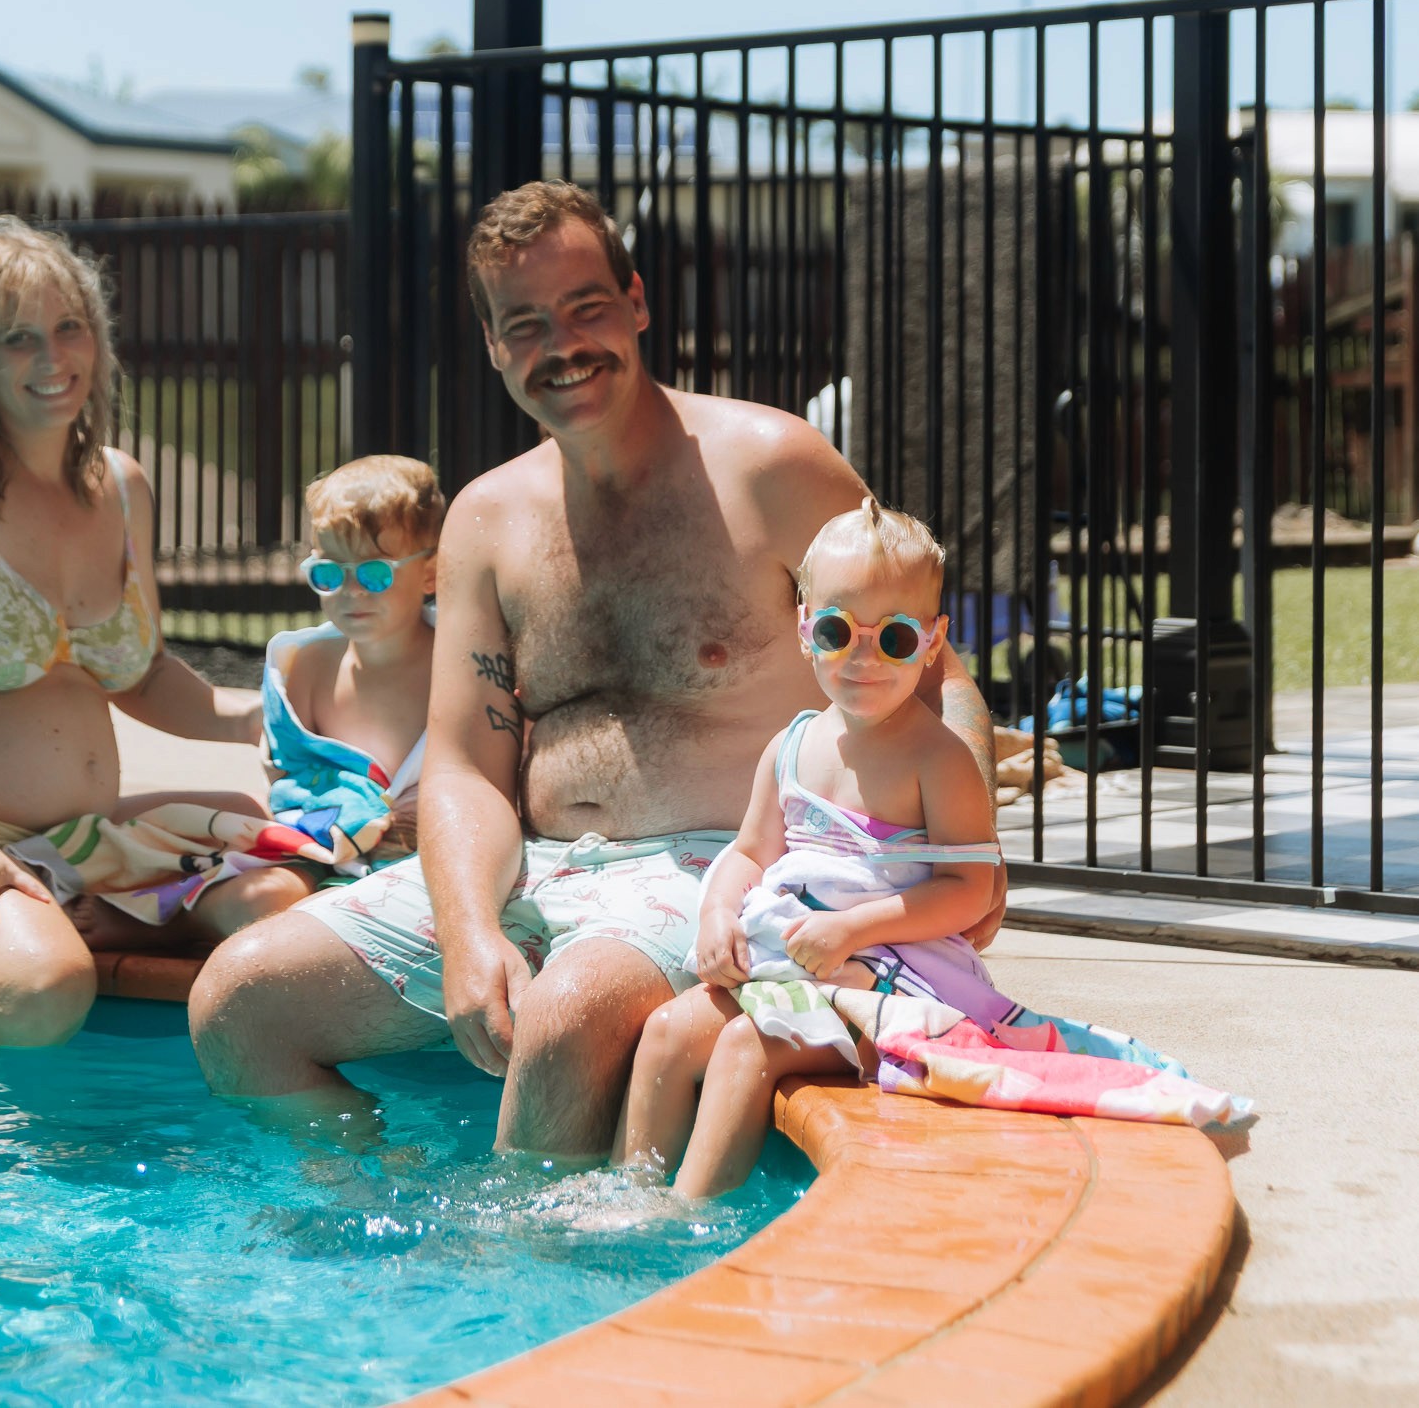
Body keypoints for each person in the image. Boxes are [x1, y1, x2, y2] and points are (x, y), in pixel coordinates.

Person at [190, 181, 1002, 1157]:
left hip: (724, 867)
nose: (562, 344)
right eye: (524, 323)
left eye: (586, 307)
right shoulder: (488, 520)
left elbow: (936, 670)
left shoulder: (769, 466)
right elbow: (461, 766)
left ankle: (529, 1281)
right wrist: (468, 927)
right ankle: (374, 1216)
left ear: (638, 301)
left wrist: (969, 863)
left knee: (568, 1013)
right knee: (237, 1005)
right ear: (492, 345)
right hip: (545, 866)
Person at [0, 217, 310, 1072]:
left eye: (69, 328)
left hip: (79, 843)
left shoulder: (119, 485)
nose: (53, 358)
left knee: (283, 894)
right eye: (19, 339)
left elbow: (139, 671)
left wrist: (261, 721)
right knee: (42, 989)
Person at [616, 500, 999, 1196]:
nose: (863, 658)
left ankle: (686, 1215)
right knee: (667, 1031)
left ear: (934, 641)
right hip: (793, 967)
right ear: (804, 629)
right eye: (837, 630)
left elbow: (970, 891)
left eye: (896, 640)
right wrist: (716, 917)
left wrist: (854, 927)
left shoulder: (938, 761)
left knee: (745, 1045)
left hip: (887, 980)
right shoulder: (791, 747)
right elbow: (747, 853)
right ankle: (622, 1195)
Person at [262, 455, 441, 872]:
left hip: (429, 864)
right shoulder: (303, 671)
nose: (352, 590)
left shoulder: (461, 667)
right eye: (329, 574)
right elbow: (290, 783)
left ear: (431, 574)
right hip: (325, 858)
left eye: (375, 573)